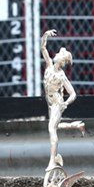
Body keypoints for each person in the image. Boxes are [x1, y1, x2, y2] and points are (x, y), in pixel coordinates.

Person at [41, 29, 77, 171]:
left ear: (62, 60)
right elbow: (42, 47)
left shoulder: (61, 76)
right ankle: (56, 156)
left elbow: (73, 93)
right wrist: (45, 35)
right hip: (49, 102)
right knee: (54, 127)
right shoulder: (49, 65)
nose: (55, 54)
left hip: (56, 103)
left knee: (51, 129)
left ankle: (52, 160)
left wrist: (65, 104)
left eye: (59, 54)